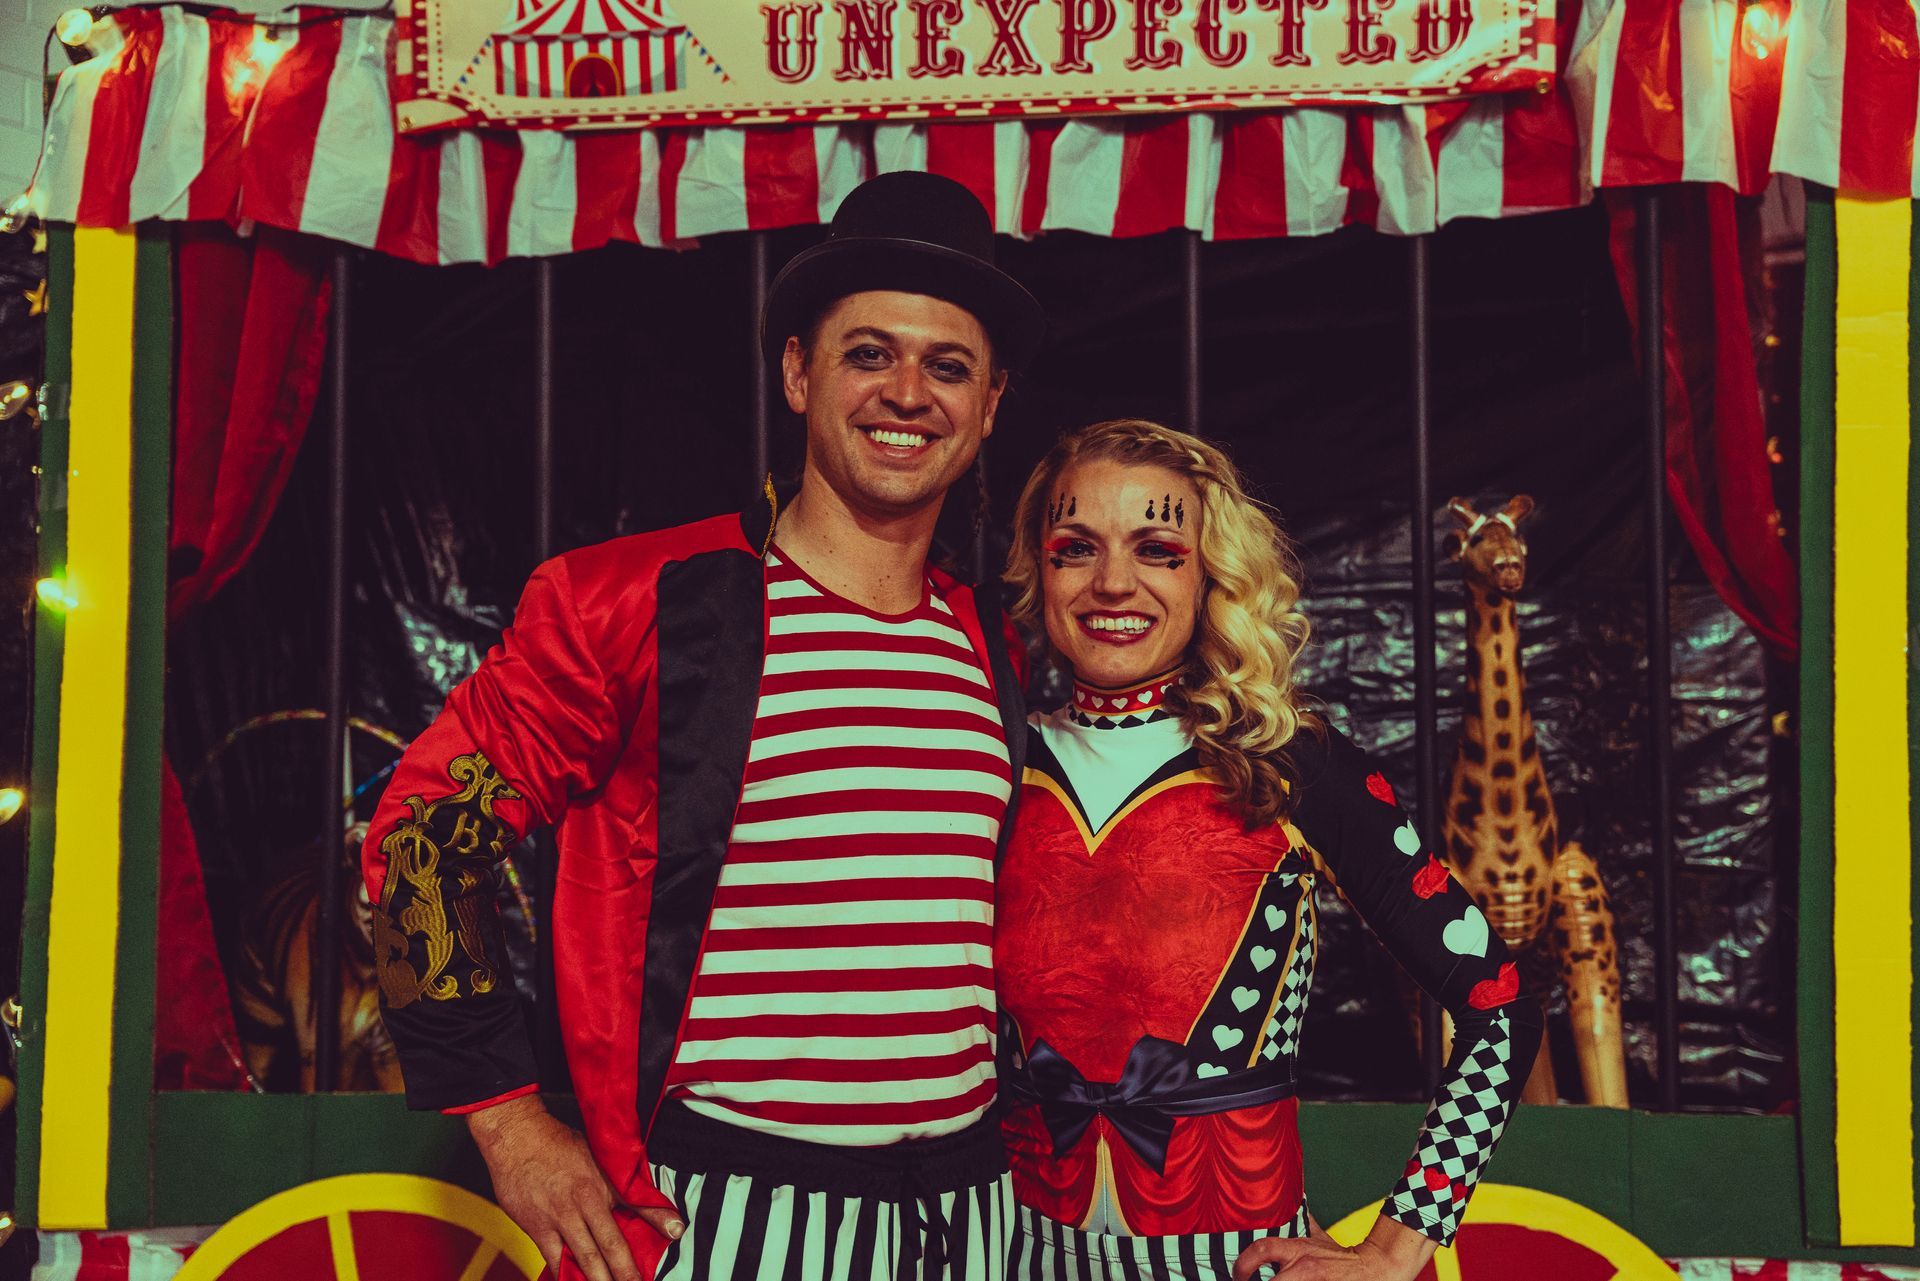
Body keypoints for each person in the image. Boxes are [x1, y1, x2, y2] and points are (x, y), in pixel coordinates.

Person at [361, 170, 1045, 1281]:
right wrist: (505, 1119)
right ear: (796, 373)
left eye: (948, 365)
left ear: (991, 402)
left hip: (969, 1218)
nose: (908, 392)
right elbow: (423, 834)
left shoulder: (993, 643)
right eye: (869, 352)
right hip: (724, 1214)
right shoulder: (631, 603)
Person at [993, 420, 1544, 1281]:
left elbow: (1499, 1008)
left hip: (1237, 1263)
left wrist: (1399, 1246)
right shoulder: (989, 764)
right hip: (1011, 1260)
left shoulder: (1292, 766)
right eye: (1076, 547)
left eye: (1158, 549)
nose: (1112, 582)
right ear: (1037, 565)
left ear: (1211, 570)